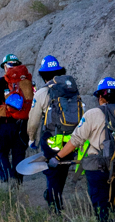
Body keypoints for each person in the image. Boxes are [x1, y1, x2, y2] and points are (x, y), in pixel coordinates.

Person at [50, 76, 115, 222]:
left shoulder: (93, 114)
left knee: (100, 208)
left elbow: (76, 141)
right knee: (111, 204)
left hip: (98, 169)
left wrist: (57, 158)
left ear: (101, 97)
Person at [27, 55, 83, 211]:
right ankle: (56, 197)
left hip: (52, 140)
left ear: (43, 75)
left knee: (51, 172)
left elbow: (33, 121)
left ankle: (55, 205)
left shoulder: (42, 93)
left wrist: (32, 139)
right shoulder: (72, 92)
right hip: (70, 140)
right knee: (62, 169)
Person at [0, 54, 33, 183]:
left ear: (6, 67)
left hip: (4, 125)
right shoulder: (28, 82)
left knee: (0, 151)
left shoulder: (2, 82)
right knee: (19, 154)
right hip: (23, 125)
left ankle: (6, 179)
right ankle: (17, 182)